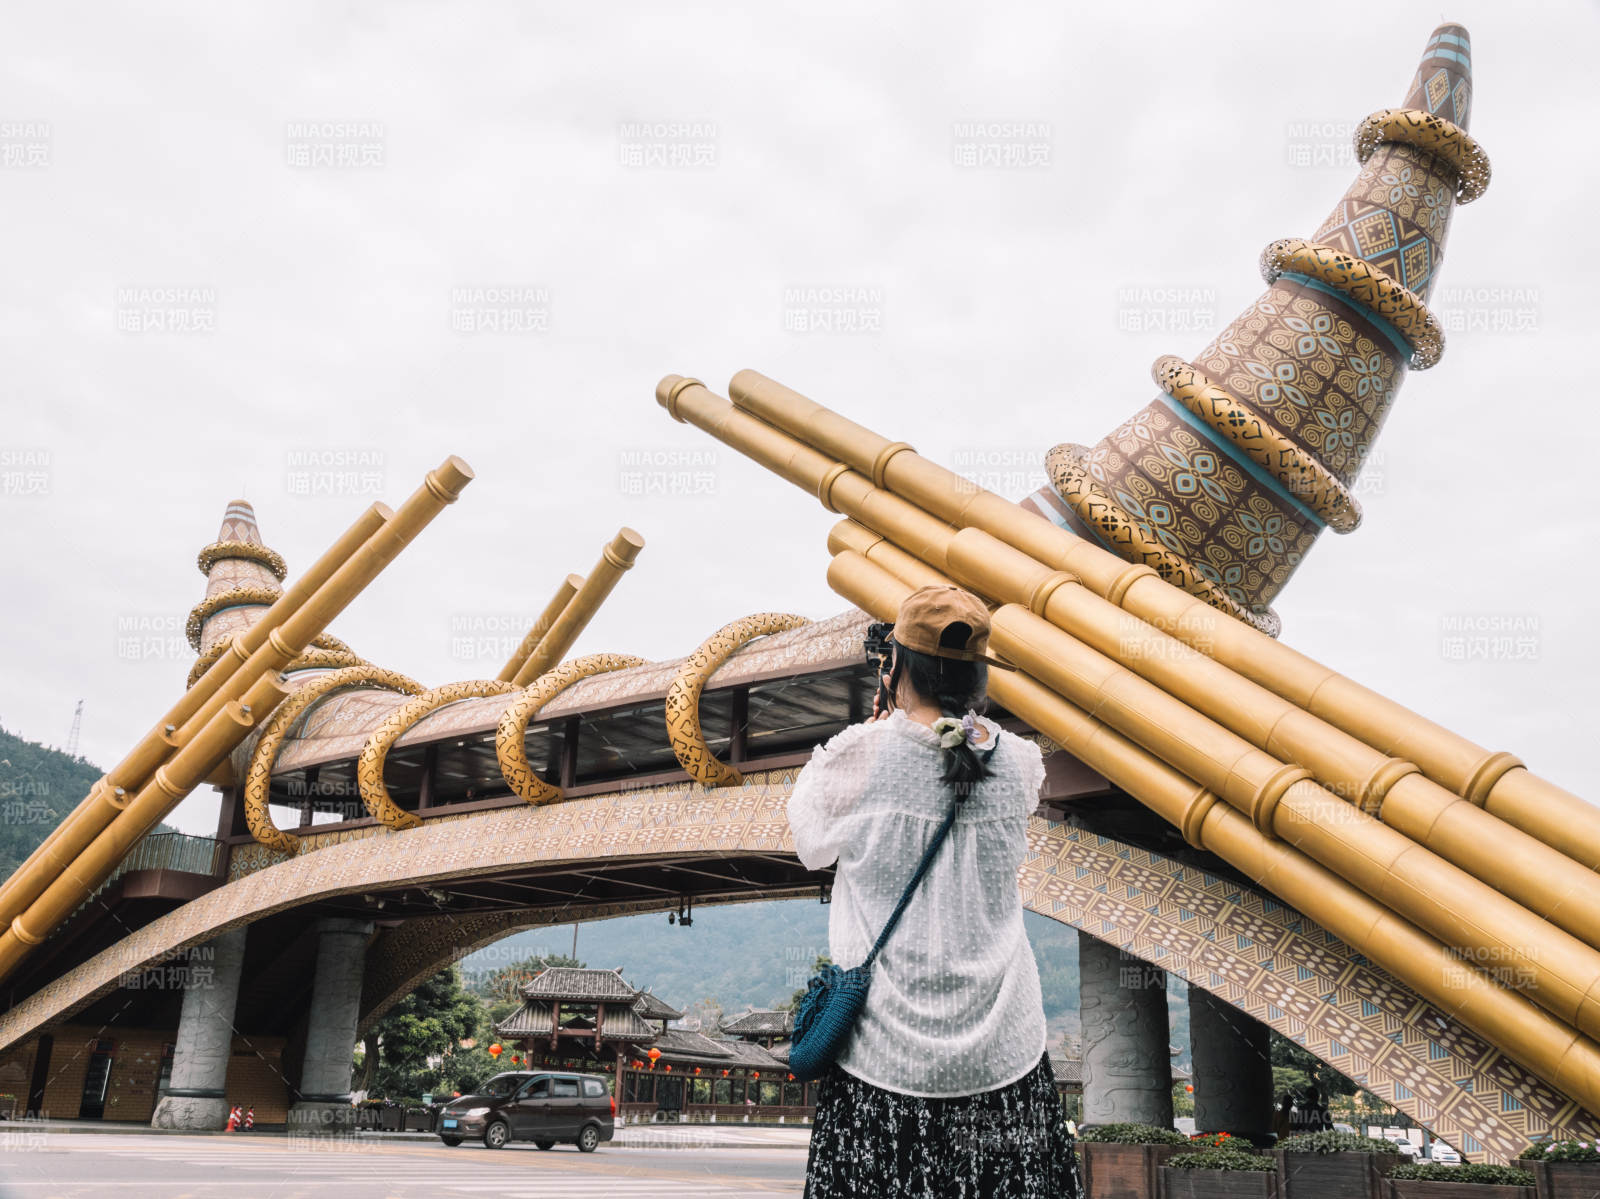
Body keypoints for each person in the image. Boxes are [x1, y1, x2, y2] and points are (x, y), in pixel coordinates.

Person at [788, 584, 1080, 1198]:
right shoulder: (1019, 762)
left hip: (881, 1055)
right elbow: (958, 758)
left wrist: (876, 731)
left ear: (894, 664)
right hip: (1004, 1051)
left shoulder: (857, 755)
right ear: (979, 677)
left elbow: (811, 845)